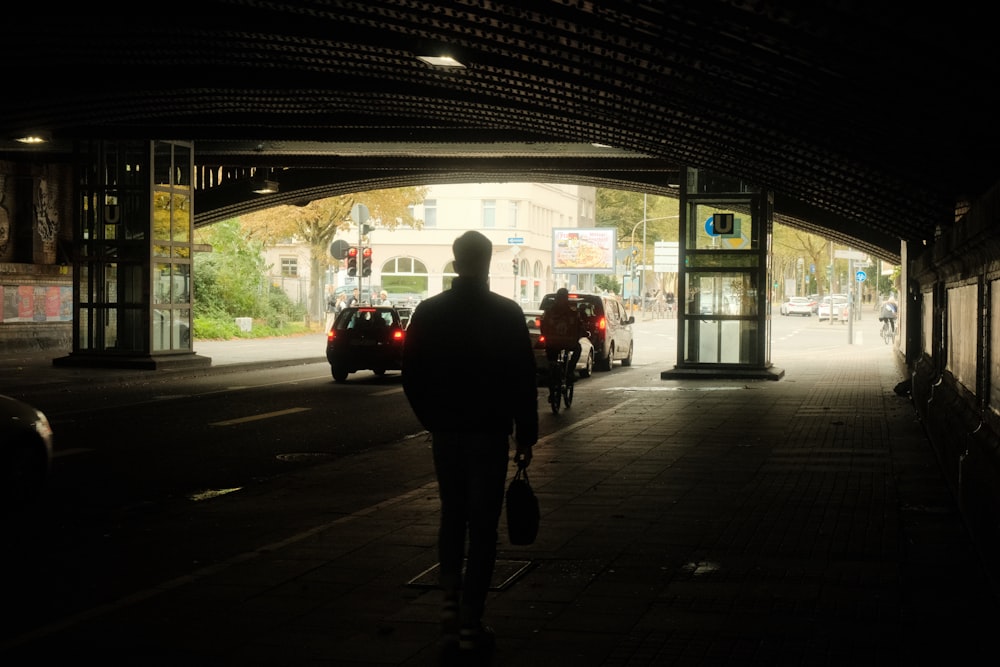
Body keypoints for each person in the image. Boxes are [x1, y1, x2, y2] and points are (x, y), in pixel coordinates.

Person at [401, 231, 538, 659]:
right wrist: (526, 433)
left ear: (456, 262)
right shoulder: (506, 312)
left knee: (452, 516)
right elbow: (523, 377)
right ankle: (470, 622)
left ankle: (447, 604)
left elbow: (412, 373)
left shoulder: (429, 311)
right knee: (482, 528)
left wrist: (432, 419)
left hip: (447, 433)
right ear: (488, 261)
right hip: (490, 433)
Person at [541, 287, 584, 386]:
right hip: (568, 343)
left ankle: (551, 379)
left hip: (551, 342)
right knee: (578, 348)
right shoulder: (572, 313)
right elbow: (579, 327)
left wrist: (546, 337)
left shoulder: (549, 312)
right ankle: (569, 371)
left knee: (552, 360)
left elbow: (543, 326)